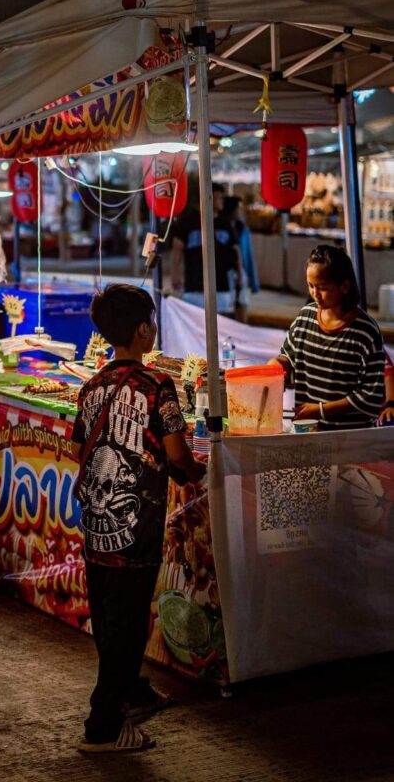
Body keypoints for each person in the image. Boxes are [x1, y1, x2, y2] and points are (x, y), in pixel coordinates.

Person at [72, 284, 206, 754]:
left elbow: (76, 450)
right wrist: (194, 472)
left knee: (110, 616)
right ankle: (102, 726)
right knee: (127, 622)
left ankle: (128, 689)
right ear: (142, 329)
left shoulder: (92, 386)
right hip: (138, 528)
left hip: (94, 526)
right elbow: (178, 454)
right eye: (151, 322)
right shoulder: (157, 387)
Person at [271, 245, 384, 429]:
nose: (315, 293)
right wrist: (278, 364)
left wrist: (321, 410)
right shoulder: (305, 317)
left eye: (322, 287)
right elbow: (288, 357)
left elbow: (370, 397)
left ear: (345, 286)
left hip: (350, 437)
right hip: (308, 430)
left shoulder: (366, 332)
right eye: (310, 285)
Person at [171, 183, 242, 315]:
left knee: (222, 324)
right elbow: (177, 248)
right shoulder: (188, 222)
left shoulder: (225, 223)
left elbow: (236, 250)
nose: (222, 201)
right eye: (219, 197)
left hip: (221, 285)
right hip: (194, 284)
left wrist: (240, 275)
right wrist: (175, 274)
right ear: (209, 197)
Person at [221, 195, 259, 323]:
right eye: (238, 208)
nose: (241, 211)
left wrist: (252, 279)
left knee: (242, 303)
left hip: (240, 270)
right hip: (226, 271)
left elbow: (248, 255)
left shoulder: (242, 228)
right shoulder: (222, 227)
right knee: (227, 307)